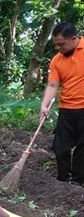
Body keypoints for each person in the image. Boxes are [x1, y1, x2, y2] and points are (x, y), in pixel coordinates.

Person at [40, 22, 84, 186]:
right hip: (66, 108)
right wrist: (44, 105)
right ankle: (63, 180)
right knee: (60, 147)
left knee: (82, 147)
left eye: (61, 44)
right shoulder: (57, 60)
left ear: (73, 39)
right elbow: (52, 85)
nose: (58, 48)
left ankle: (79, 181)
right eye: (56, 44)